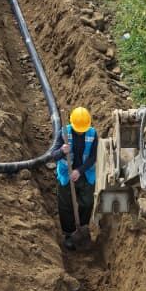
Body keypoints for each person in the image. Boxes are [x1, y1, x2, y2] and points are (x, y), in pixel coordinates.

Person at [55, 106, 97, 250]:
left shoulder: (92, 134)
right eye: (78, 129)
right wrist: (62, 150)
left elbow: (93, 157)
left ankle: (82, 228)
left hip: (85, 173)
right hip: (66, 173)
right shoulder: (64, 133)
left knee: (87, 202)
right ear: (72, 124)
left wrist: (79, 171)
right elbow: (53, 154)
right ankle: (68, 233)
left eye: (83, 129)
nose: (81, 131)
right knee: (66, 205)